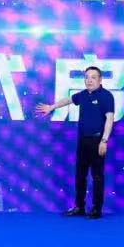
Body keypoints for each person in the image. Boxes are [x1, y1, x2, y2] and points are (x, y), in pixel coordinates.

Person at [36, 66, 115, 219]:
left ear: (100, 79)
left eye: (93, 77)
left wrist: (104, 140)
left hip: (98, 140)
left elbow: (110, 118)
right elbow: (69, 100)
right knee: (80, 175)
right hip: (83, 140)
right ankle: (79, 207)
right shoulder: (83, 95)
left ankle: (96, 209)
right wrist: (51, 107)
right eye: (87, 77)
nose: (89, 80)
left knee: (97, 176)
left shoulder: (106, 96)